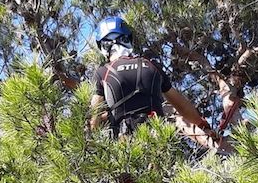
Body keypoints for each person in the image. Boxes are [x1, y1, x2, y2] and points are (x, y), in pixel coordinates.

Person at [90, 16, 228, 151]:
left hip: (124, 149)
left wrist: (92, 145)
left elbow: (94, 116)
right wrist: (203, 125)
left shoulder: (103, 73)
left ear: (103, 46)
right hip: (157, 143)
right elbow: (182, 106)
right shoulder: (151, 66)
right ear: (127, 40)